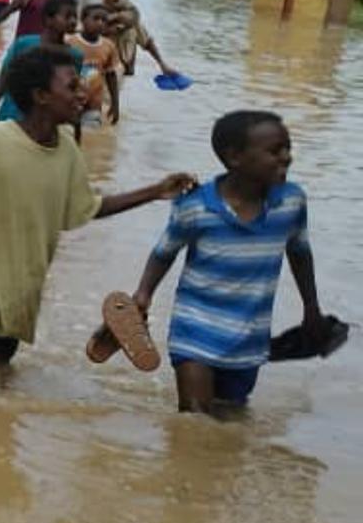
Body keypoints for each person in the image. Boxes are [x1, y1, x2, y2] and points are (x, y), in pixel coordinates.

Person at [0, 46, 195, 388]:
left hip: (21, 293)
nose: (83, 93)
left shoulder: (67, 150)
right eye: (71, 86)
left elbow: (89, 208)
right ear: (40, 96)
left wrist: (155, 191)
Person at [131, 111, 323, 414]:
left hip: (249, 338)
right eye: (275, 151)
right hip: (194, 330)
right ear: (235, 157)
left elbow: (299, 253)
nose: (286, 157)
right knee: (194, 420)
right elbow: (164, 252)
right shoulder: (195, 206)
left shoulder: (291, 203)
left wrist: (311, 308)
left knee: (229, 421)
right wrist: (143, 295)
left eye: (288, 148)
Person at [0, 0, 80, 124]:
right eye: (67, 16)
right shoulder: (23, 44)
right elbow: (4, 79)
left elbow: (71, 94)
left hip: (46, 122)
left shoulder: (75, 56)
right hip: (10, 115)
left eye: (75, 17)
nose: (73, 21)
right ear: (48, 19)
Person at [99, 0, 181, 80]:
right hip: (98, 63)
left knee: (132, 28)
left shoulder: (131, 18)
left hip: (119, 66)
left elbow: (147, 42)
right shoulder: (95, 13)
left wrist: (162, 65)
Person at [70, 4, 120, 126]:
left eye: (104, 20)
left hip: (94, 103)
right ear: (83, 19)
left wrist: (115, 104)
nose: (100, 23)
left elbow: (111, 75)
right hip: (70, 101)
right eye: (96, 18)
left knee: (90, 135)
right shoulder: (70, 42)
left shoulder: (109, 46)